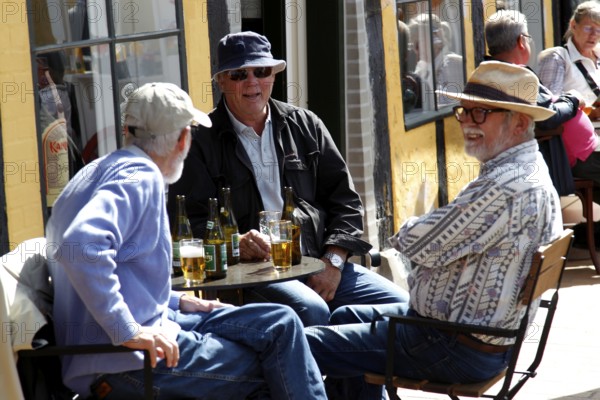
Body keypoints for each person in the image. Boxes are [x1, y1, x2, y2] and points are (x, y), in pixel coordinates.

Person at [46, 82, 327, 399]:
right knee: (279, 363)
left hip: (146, 332)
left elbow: (118, 268)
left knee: (281, 323)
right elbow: (83, 246)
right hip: (123, 362)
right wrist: (128, 329)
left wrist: (177, 300)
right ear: (182, 138)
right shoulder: (141, 176)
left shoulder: (98, 170)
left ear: (128, 130)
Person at [305, 61, 564, 399]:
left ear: (520, 123)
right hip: (472, 336)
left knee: (299, 341)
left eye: (481, 113)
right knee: (344, 315)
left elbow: (417, 243)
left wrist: (420, 229)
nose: (467, 122)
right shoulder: (526, 167)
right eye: (464, 111)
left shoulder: (510, 185)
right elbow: (441, 239)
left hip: (454, 345)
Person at [167, 31, 408, 327]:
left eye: (262, 71)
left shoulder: (305, 124)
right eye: (239, 74)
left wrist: (333, 261)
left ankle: (348, 368)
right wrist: (234, 242)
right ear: (221, 80)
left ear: (273, 75)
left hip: (319, 260)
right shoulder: (200, 141)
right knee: (313, 309)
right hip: (252, 274)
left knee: (403, 307)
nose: (252, 82)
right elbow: (187, 222)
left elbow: (345, 202)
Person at [538, 1, 600, 120]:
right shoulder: (557, 57)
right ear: (573, 25)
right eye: (588, 28)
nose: (593, 35)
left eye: (598, 30)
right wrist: (590, 114)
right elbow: (550, 110)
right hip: (575, 135)